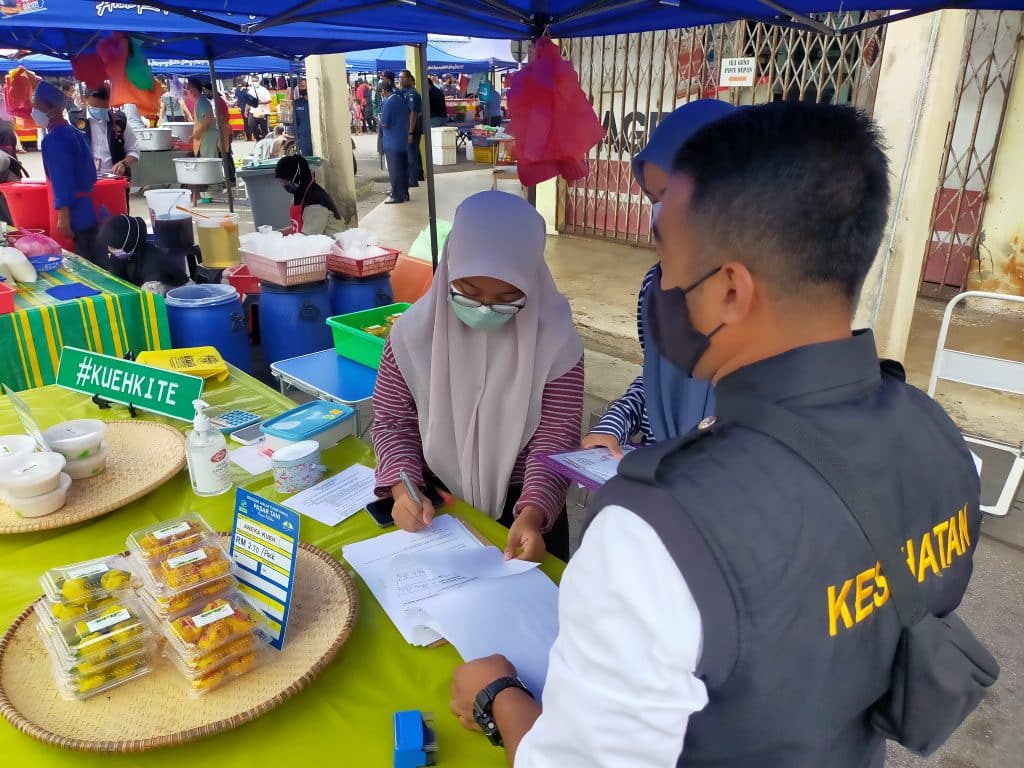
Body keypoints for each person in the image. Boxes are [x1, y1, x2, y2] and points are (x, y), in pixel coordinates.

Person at [449, 101, 989, 767]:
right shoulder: (937, 438)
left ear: (731, 290)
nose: (658, 289)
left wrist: (496, 695)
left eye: (665, 258)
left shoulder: (655, 532)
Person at [372, 191, 584, 562]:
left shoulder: (557, 345)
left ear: (532, 284)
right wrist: (403, 486)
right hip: (436, 506)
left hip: (526, 510)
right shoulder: (412, 336)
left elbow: (554, 441)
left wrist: (533, 514)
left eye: (506, 298)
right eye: (468, 292)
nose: (485, 309)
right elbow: (392, 422)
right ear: (449, 270)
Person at [583, 100, 736, 456]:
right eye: (652, 198)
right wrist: (616, 422)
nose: (659, 215)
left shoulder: (770, 304)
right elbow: (657, 378)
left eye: (669, 195)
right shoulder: (656, 285)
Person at [33, 81, 99, 264]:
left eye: (37, 107)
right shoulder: (75, 133)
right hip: (90, 206)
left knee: (86, 263)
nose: (34, 113)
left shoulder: (54, 140)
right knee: (96, 257)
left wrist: (63, 215)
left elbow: (62, 178)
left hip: (75, 210)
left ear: (51, 108)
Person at [98, 214, 189, 293]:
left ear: (129, 243)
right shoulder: (123, 255)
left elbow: (150, 300)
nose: (111, 251)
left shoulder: (152, 261)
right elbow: (112, 279)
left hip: (177, 297)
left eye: (115, 248)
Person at [275, 154, 343, 237]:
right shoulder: (300, 195)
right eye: (280, 181)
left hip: (331, 246)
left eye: (285, 181)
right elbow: (297, 228)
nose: (283, 185)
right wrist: (277, 234)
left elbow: (307, 238)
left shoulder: (316, 203)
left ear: (296, 178)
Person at [84, 86, 139, 179]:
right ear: (85, 100)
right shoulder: (74, 121)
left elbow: (134, 150)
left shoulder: (120, 121)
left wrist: (124, 163)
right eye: (95, 107)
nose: (99, 110)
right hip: (85, 180)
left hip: (114, 179)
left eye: (104, 108)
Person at [186, 77, 218, 205]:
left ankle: (208, 194)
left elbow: (208, 119)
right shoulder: (200, 102)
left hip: (207, 137)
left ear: (193, 90)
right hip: (204, 137)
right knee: (204, 166)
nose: (187, 92)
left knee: (207, 166)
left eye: (188, 89)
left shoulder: (203, 102)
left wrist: (195, 134)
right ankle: (204, 194)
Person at [379, 80, 409, 205]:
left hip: (392, 141)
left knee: (394, 170)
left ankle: (396, 195)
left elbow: (384, 123)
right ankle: (404, 192)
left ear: (383, 91)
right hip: (402, 140)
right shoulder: (401, 99)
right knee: (403, 168)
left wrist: (378, 120)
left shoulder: (388, 102)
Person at [398, 69, 423, 188]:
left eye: (403, 78)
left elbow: (413, 113)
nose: (401, 80)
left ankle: (413, 180)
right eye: (400, 78)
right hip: (407, 128)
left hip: (412, 128)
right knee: (413, 153)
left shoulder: (412, 93)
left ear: (409, 79)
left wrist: (410, 132)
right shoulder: (404, 92)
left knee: (411, 155)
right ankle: (417, 175)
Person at [292, 80, 313, 157]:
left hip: (317, 135)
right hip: (304, 138)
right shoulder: (297, 103)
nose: (301, 88)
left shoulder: (316, 102)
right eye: (300, 86)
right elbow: (294, 121)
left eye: (303, 86)